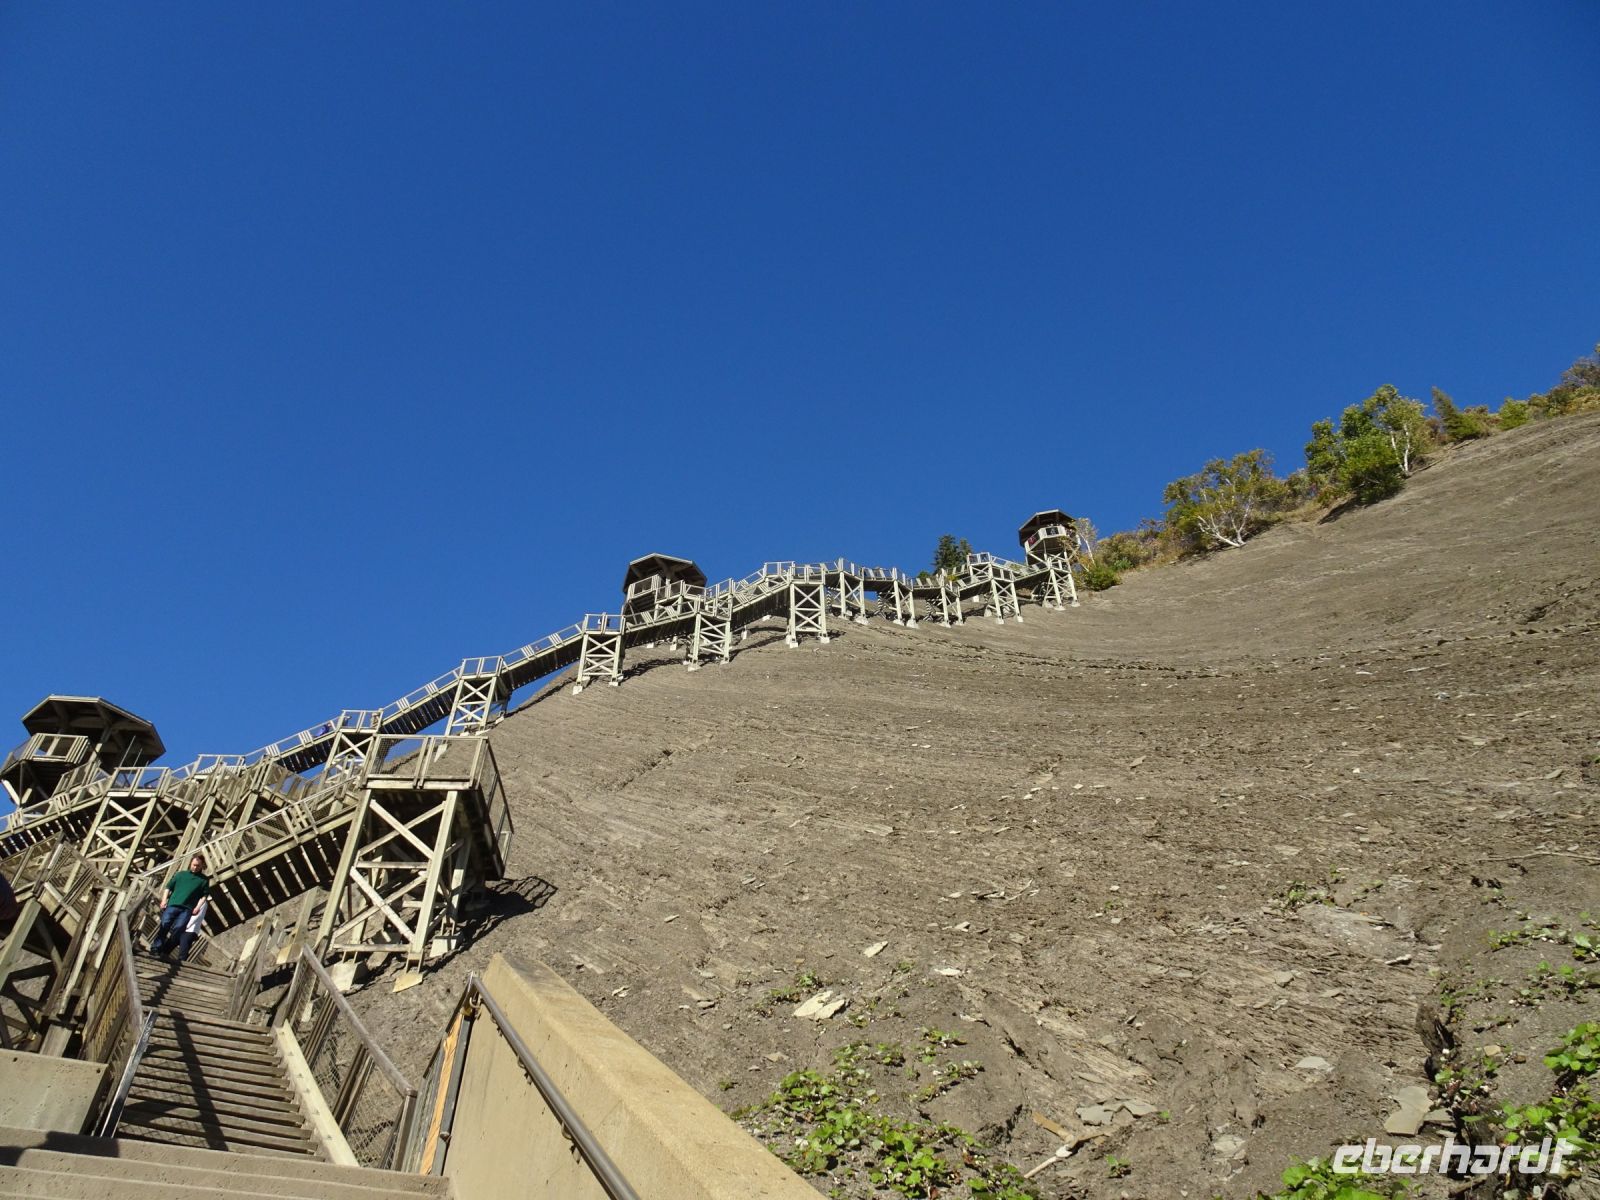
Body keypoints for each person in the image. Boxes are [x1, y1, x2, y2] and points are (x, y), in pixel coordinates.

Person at [151, 854, 210, 960]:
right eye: (193, 865)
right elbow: (168, 887)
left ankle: (164, 949)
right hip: (173, 905)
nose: (195, 867)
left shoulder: (204, 880)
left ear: (202, 865)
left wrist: (197, 907)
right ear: (190, 863)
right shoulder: (180, 875)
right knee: (164, 925)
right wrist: (164, 900)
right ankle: (156, 948)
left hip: (187, 909)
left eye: (198, 866)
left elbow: (204, 896)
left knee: (178, 929)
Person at [172, 895, 208, 963]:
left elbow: (197, 916)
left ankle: (181, 961)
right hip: (184, 927)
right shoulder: (193, 899)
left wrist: (186, 925)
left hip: (191, 929)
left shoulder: (202, 902)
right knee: (173, 942)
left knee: (184, 946)